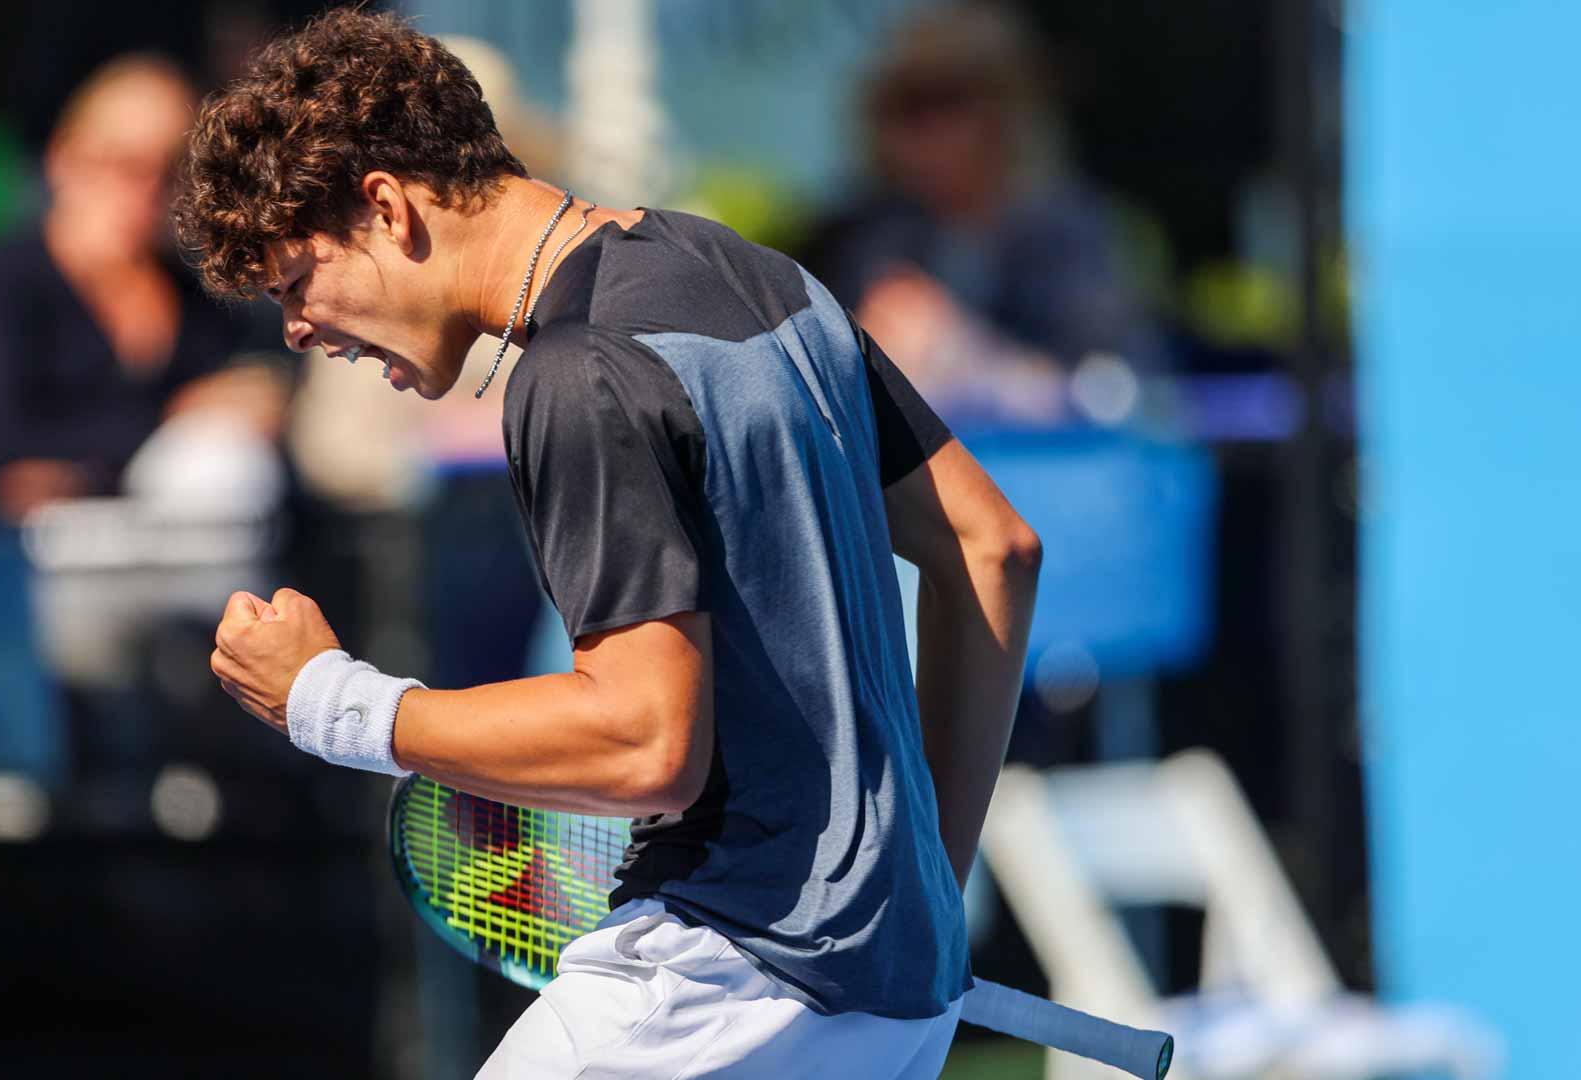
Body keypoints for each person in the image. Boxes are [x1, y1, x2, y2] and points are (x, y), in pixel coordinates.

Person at [183, 11, 1040, 1078]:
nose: (298, 331)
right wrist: (921, 891)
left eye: (294, 285)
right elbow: (991, 545)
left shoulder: (575, 375)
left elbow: (644, 742)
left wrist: (330, 702)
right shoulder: (754, 272)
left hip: (719, 986)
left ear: (387, 207)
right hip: (888, 1000)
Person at [0, 54, 281, 524]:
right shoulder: (11, 275)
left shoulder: (193, 292)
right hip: (35, 552)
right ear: (63, 157)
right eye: (125, 163)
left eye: (171, 170)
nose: (147, 190)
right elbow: (10, 446)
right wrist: (176, 415)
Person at [805, 4, 1164, 414]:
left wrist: (970, 359)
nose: (925, 131)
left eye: (948, 99)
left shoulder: (1068, 233)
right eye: (906, 105)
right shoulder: (866, 236)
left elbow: (1123, 393)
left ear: (1007, 108)